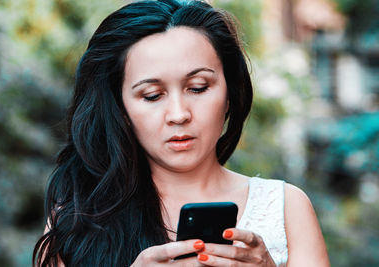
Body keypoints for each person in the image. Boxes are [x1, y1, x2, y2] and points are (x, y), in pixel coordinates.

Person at [33, 0, 330, 266]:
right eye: (152, 95)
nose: (178, 114)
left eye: (198, 88)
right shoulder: (78, 217)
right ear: (120, 108)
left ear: (229, 93)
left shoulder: (286, 207)